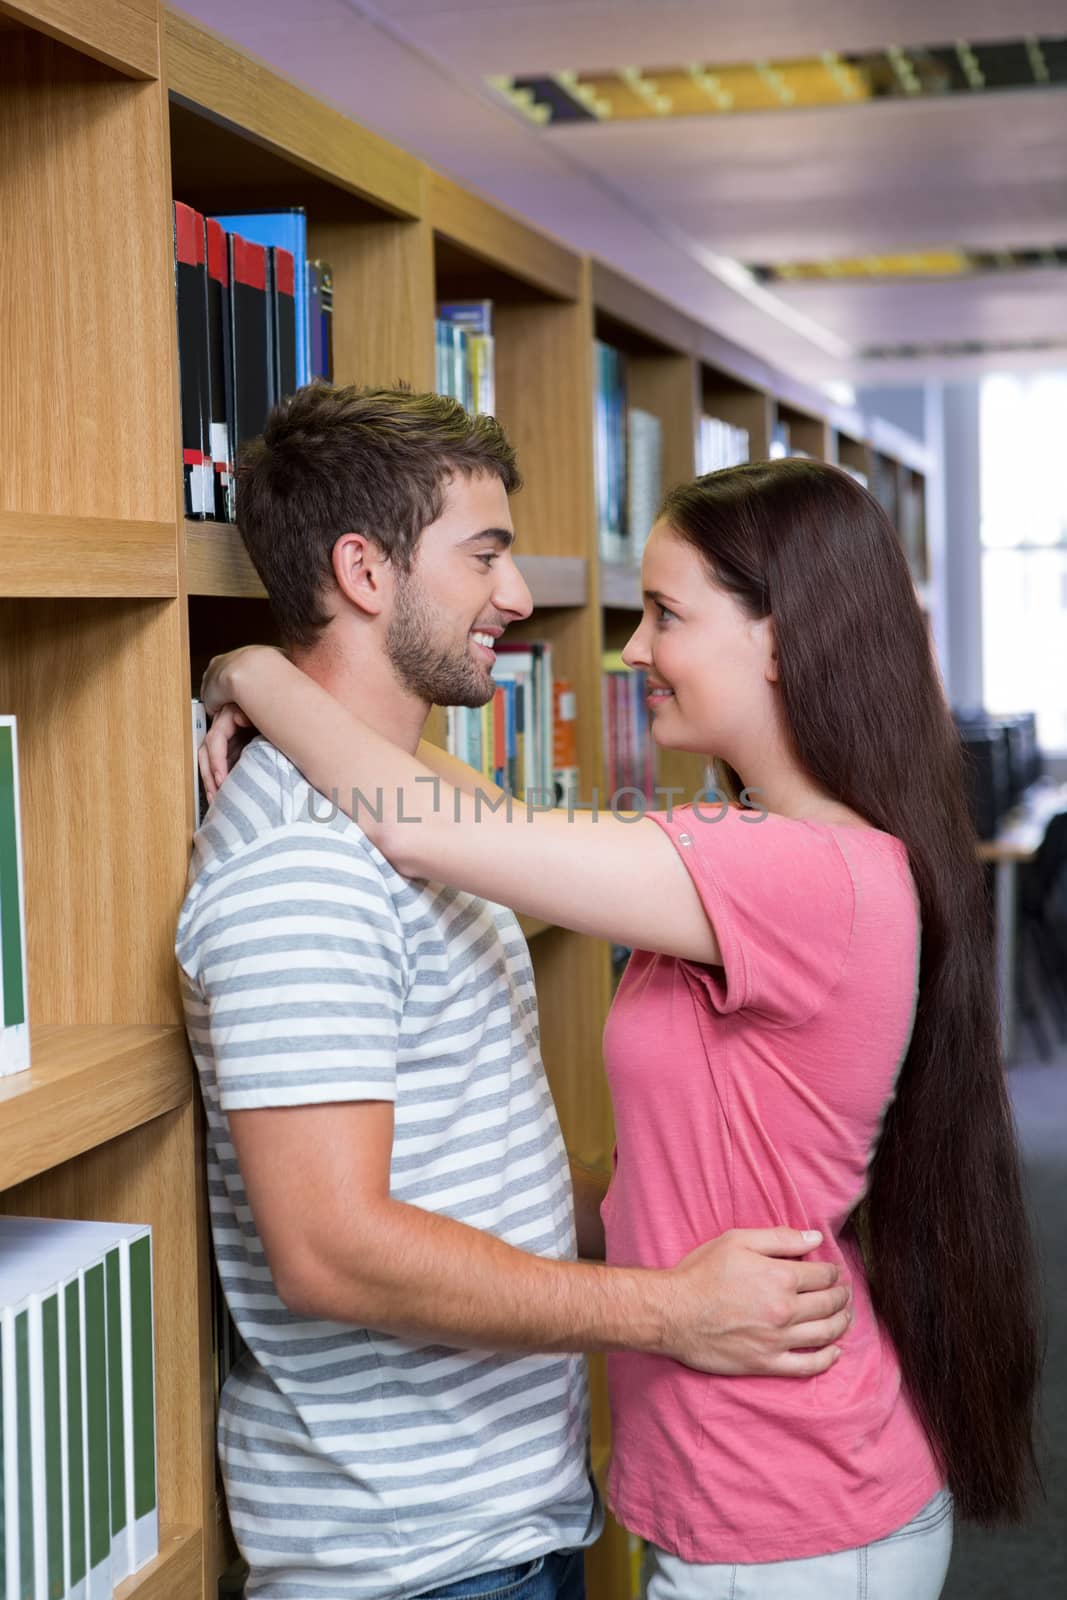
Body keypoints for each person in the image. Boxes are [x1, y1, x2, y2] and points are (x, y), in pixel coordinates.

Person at [202, 450, 1042, 1600]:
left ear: (781, 640)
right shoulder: (739, 842)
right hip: (734, 1484)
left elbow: (429, 830)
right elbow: (482, 813)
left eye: (662, 614)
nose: (632, 648)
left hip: (789, 1501)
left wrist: (251, 666)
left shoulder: (796, 873)